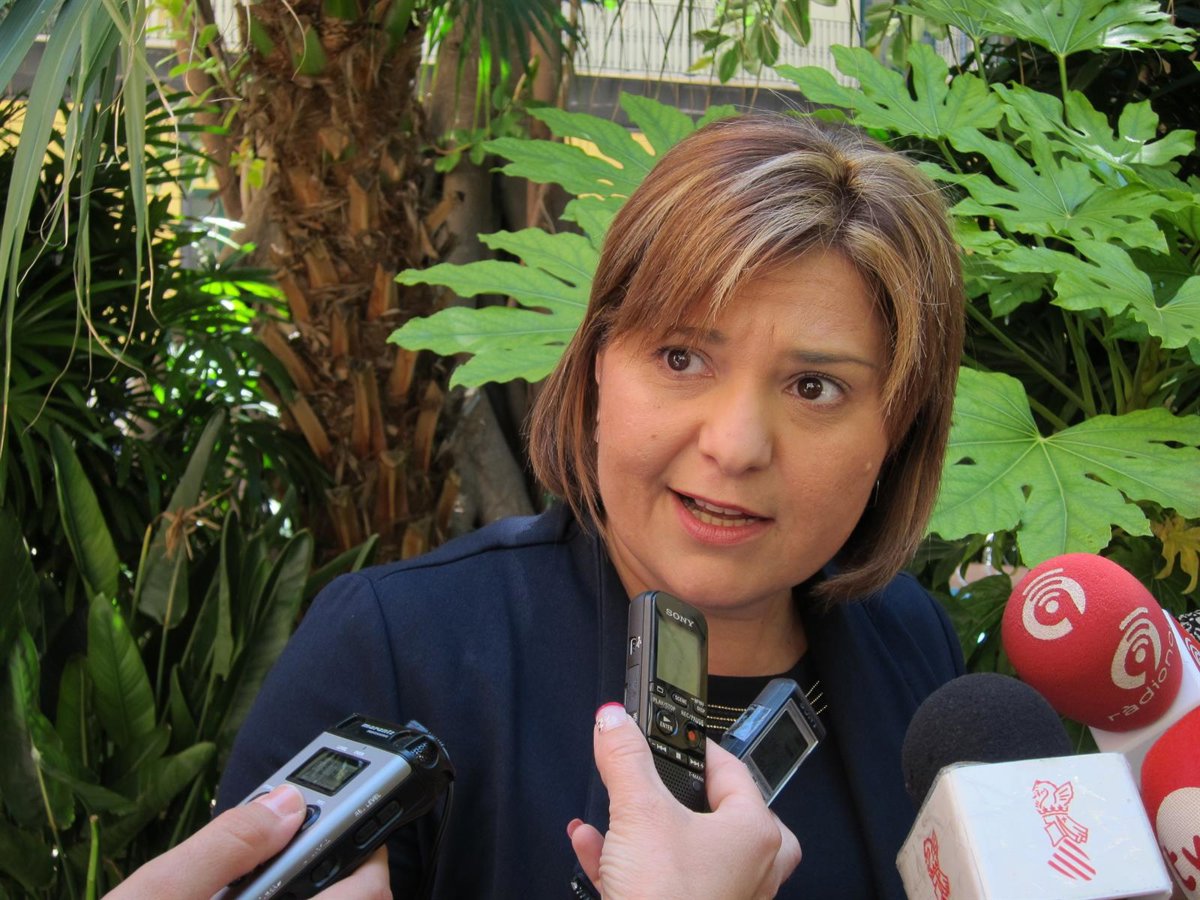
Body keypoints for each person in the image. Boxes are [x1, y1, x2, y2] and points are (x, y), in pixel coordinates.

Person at [215, 112, 966, 898]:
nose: (736, 445)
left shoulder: (912, 643)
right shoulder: (394, 655)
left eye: (815, 387)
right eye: (682, 357)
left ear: (899, 427)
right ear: (600, 360)